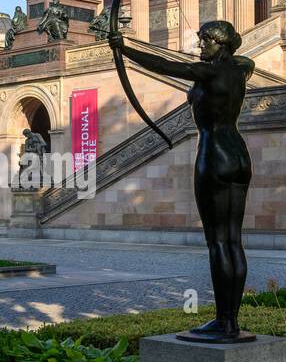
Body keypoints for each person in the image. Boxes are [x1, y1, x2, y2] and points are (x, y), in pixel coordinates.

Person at [109, 20, 254, 341]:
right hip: (240, 156)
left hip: (215, 154)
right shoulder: (239, 70)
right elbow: (247, 61)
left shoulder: (212, 72)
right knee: (233, 240)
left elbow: (165, 65)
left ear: (222, 44)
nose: (200, 46)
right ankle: (231, 320)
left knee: (218, 241)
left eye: (206, 41)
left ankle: (224, 321)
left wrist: (124, 49)